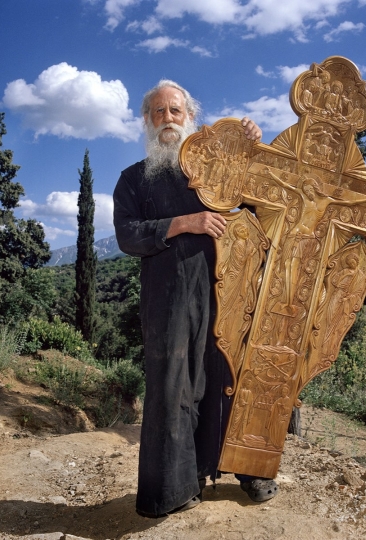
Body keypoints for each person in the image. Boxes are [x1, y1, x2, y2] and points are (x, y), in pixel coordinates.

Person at [113, 80, 278, 518]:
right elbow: (127, 236)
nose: (168, 118)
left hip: (228, 291)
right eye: (159, 112)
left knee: (231, 377)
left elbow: (266, 202)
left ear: (190, 117)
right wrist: (186, 222)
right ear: (148, 121)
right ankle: (173, 488)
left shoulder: (220, 167)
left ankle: (250, 472)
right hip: (168, 300)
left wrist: (252, 149)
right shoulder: (133, 179)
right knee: (173, 388)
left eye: (176, 111)